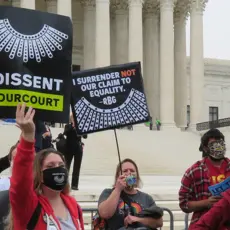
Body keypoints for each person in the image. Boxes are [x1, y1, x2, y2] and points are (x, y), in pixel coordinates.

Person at [5, 103, 84, 230]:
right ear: (39, 174)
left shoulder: (73, 205)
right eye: (51, 165)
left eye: (60, 165)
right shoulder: (29, 205)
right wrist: (28, 136)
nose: (57, 168)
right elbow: (21, 183)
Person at [179, 128, 230, 229]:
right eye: (214, 144)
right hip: (203, 223)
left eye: (220, 143)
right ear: (205, 148)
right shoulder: (194, 172)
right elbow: (184, 203)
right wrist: (206, 203)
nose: (218, 147)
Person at [97, 158, 163, 230]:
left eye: (132, 171)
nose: (129, 173)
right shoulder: (108, 193)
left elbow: (159, 222)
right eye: (125, 171)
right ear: (117, 176)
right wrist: (118, 189)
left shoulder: (146, 198)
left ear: (137, 176)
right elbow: (105, 214)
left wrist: (138, 219)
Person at [63, 113, 87, 190]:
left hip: (78, 150)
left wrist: (81, 128)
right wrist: (73, 126)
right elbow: (65, 133)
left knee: (77, 167)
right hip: (68, 148)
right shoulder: (68, 126)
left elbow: (85, 136)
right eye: (73, 118)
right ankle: (64, 184)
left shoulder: (80, 126)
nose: (75, 119)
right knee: (66, 166)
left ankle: (74, 185)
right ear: (71, 119)